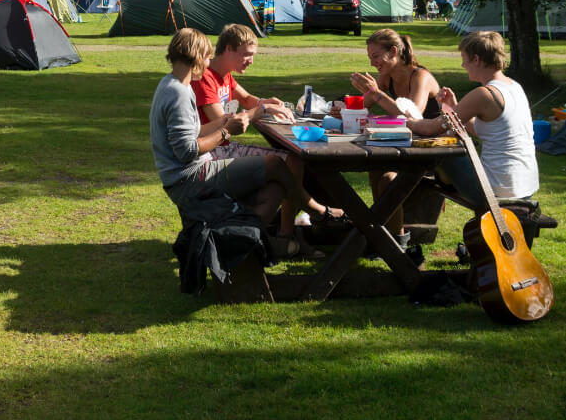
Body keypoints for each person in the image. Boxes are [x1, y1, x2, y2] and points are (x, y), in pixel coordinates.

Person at [149, 28, 318, 259]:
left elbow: (193, 131)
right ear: (196, 57)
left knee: (275, 190)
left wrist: (222, 123)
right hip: (189, 178)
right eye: (207, 57)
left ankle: (237, 241)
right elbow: (186, 151)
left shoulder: (175, 84)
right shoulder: (178, 92)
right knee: (276, 164)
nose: (209, 63)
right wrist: (226, 130)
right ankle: (315, 210)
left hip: (194, 172)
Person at [193, 23, 344, 236]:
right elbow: (224, 123)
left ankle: (290, 230)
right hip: (213, 153)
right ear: (228, 49)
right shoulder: (206, 78)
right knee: (292, 161)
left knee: (293, 160)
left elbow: (245, 99)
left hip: (224, 148)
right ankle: (292, 230)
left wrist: (267, 102)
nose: (251, 60)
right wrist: (263, 109)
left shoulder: (223, 73)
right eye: (246, 54)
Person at [408, 31, 539, 207]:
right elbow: (482, 131)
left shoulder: (484, 94)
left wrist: (405, 120)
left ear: (476, 60)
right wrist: (454, 108)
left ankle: (405, 204)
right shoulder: (514, 86)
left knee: (444, 149)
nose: (463, 65)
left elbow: (431, 128)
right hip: (523, 187)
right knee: (447, 148)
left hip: (495, 191)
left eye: (464, 59)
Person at [347, 28, 442, 242]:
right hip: (407, 146)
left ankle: (396, 240)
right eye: (370, 57)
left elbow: (414, 117)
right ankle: (380, 230)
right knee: (376, 167)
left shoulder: (420, 76)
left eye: (376, 56)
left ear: (393, 51)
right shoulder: (387, 77)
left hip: (434, 151)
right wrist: (345, 107)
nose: (373, 63)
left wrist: (378, 94)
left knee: (389, 179)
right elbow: (365, 103)